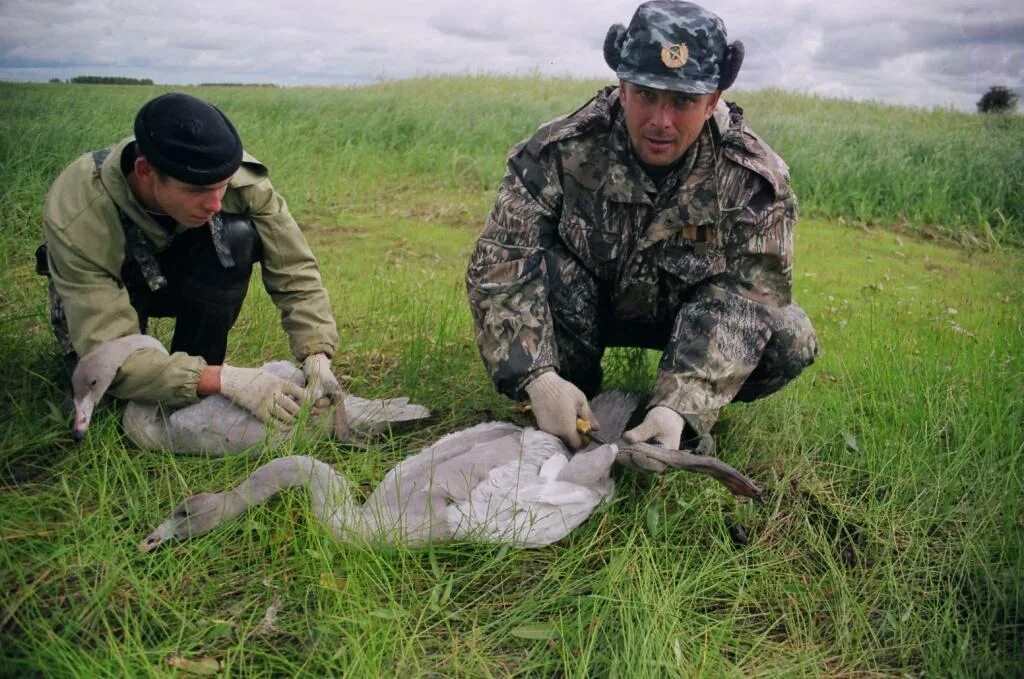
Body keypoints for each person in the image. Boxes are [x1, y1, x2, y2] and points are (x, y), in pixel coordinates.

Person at [466, 0, 818, 452]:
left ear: (713, 101)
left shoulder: (753, 180)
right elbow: (500, 261)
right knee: (541, 280)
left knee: (788, 337)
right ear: (622, 87)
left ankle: (667, 414)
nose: (660, 121)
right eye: (647, 94)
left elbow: (748, 299)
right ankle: (571, 390)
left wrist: (678, 407)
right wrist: (538, 379)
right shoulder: (558, 151)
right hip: (587, 308)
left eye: (684, 101)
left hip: (686, 318)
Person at [38, 92, 343, 429]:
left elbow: (294, 267)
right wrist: (231, 382)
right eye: (197, 191)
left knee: (237, 236)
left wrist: (316, 354)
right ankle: (200, 379)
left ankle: (200, 374)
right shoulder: (80, 210)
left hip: (179, 274)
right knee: (110, 392)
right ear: (144, 172)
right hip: (114, 285)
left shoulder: (232, 173)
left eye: (222, 188)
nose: (214, 203)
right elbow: (108, 350)